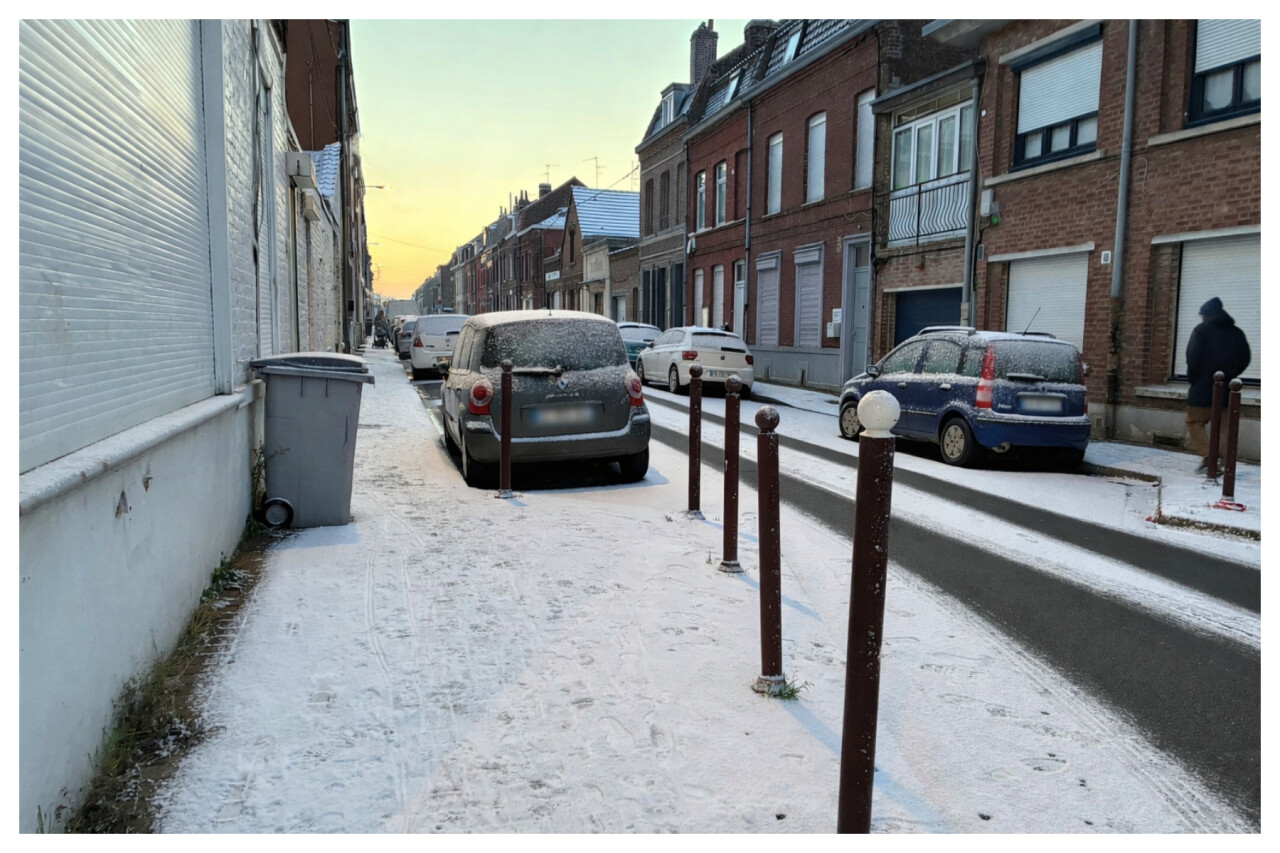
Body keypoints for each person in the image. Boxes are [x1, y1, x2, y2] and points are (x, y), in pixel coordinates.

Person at [1185, 296, 1251, 471]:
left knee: (1194, 422)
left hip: (1201, 388)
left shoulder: (1201, 330)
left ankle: (1209, 456)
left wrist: (1193, 378)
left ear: (1205, 315)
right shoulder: (1236, 332)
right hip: (1228, 389)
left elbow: (1192, 358)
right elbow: (1245, 358)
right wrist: (1232, 374)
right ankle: (1219, 460)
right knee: (1223, 427)